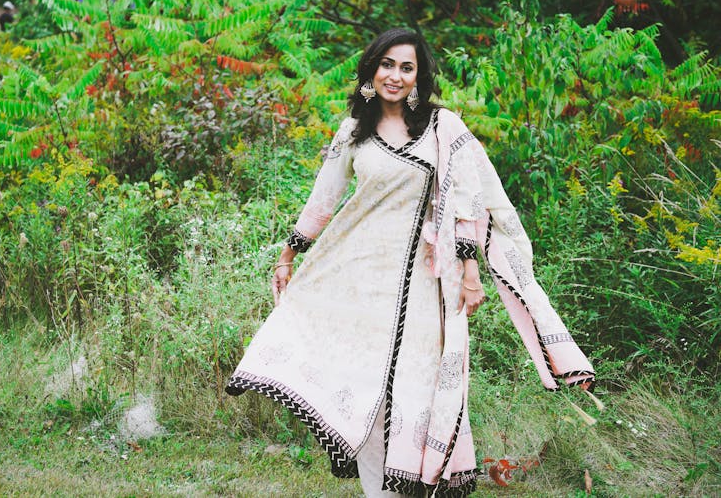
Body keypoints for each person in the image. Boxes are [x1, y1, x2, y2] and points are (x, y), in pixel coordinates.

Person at [226, 28, 594, 497]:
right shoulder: (352, 132)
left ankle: (414, 481)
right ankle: (378, 491)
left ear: (419, 76)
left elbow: (466, 199)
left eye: (406, 67)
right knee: (363, 385)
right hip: (355, 276)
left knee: (414, 385)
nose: (394, 76)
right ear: (371, 70)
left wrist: (470, 271)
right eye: (386, 65)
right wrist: (290, 251)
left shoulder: (443, 128)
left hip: (423, 284)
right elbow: (326, 195)